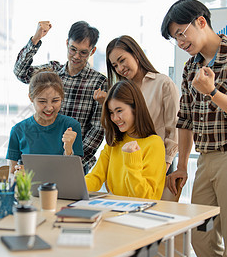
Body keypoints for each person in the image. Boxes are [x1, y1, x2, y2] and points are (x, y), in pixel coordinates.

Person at [161, 0, 227, 257]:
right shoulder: (190, 68)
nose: (181, 43)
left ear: (201, 22)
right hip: (206, 161)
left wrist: (213, 92)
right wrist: (182, 165)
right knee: (200, 235)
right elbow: (184, 120)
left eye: (181, 34)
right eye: (175, 39)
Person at [14, 21, 107, 175]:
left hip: (74, 164)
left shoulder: (99, 83)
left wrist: (71, 161)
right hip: (40, 158)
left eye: (83, 52)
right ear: (66, 44)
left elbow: (97, 129)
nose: (76, 56)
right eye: (73, 49)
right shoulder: (52, 71)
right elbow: (21, 72)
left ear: (93, 51)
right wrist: (36, 39)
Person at [94, 35, 179, 173]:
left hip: (155, 162)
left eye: (122, 60)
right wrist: (106, 106)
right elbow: (116, 132)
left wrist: (165, 164)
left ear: (136, 54)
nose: (120, 68)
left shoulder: (163, 84)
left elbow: (174, 128)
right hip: (125, 161)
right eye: (115, 66)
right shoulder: (118, 91)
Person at [85, 80, 166, 200]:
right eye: (111, 112)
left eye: (119, 111)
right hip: (116, 208)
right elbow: (96, 177)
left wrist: (132, 160)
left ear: (135, 108)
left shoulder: (154, 143)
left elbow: (145, 196)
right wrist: (69, 187)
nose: (115, 118)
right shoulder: (114, 142)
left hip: (143, 212)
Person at [6, 70, 84, 173]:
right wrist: (19, 173)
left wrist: (68, 149)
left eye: (55, 101)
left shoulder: (72, 126)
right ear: (31, 98)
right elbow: (11, 173)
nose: (49, 108)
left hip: (62, 188)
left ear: (62, 98)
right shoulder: (18, 130)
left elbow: (74, 174)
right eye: (42, 101)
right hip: (30, 188)